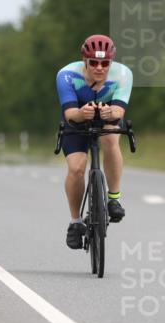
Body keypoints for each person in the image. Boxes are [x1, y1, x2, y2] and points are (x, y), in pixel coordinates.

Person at [56, 34, 133, 249]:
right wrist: (82, 114)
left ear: (111, 61)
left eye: (105, 63)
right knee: (76, 168)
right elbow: (70, 113)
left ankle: (114, 198)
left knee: (110, 140)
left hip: (108, 117)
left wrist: (109, 113)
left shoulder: (123, 74)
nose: (99, 68)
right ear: (84, 61)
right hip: (77, 120)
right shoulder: (67, 75)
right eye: (94, 63)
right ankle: (75, 222)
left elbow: (119, 110)